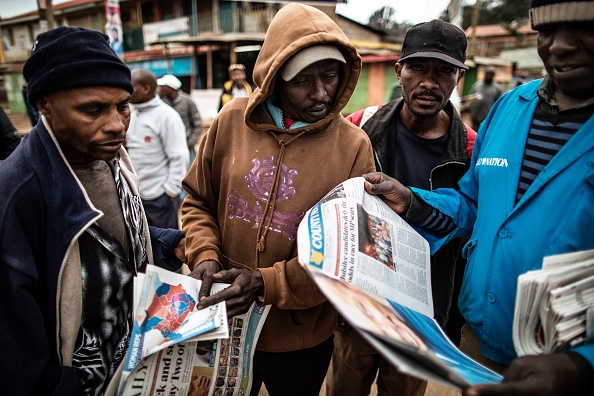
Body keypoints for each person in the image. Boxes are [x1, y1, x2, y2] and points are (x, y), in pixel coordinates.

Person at [363, 0, 594, 394]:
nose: (559, 46)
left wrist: (580, 365)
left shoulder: (465, 138)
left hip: (562, 366)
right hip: (477, 344)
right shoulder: (509, 109)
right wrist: (412, 202)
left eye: (582, 30)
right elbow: (472, 204)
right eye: (548, 31)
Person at [181, 3, 375, 395]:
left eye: (330, 75)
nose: (321, 92)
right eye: (302, 80)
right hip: (226, 322)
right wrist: (204, 256)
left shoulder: (354, 147)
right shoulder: (231, 122)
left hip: (302, 336)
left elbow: (348, 256)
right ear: (273, 79)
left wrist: (266, 282)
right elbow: (198, 201)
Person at [0, 26, 186, 395]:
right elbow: (18, 356)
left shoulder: (109, 157)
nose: (116, 125)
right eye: (93, 110)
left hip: (133, 363)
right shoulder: (16, 197)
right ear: (44, 105)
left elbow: (115, 241)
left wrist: (169, 243)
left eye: (122, 107)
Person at [326, 19, 476, 396]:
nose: (430, 82)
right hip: (361, 298)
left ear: (458, 77)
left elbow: (471, 221)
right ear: (400, 71)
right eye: (418, 68)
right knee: (346, 383)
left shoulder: (471, 149)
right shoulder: (360, 126)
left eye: (444, 71)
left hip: (421, 307)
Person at [127, 69, 189, 229]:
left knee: (165, 247)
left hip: (159, 197)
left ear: (146, 89)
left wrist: (170, 192)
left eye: (131, 86)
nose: (126, 90)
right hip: (137, 196)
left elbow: (179, 157)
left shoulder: (167, 116)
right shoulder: (132, 114)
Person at [157, 74, 203, 165]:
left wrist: (190, 143)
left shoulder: (187, 101)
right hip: (167, 147)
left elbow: (198, 124)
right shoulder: (161, 103)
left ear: (171, 88)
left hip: (186, 146)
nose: (160, 89)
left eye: (163, 87)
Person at [468, 65, 502, 131]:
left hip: (487, 118)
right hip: (475, 117)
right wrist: (471, 111)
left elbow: (498, 104)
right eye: (487, 73)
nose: (489, 75)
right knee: (474, 135)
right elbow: (470, 99)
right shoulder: (476, 86)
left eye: (491, 74)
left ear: (494, 75)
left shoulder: (497, 89)